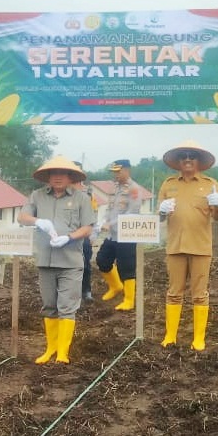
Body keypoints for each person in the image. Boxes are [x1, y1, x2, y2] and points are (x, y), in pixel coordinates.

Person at [18, 156, 94, 364]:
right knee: (49, 305)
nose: (58, 177)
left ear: (70, 177)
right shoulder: (37, 196)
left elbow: (88, 227)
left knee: (67, 306)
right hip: (45, 259)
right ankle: (50, 348)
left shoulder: (81, 198)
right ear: (48, 177)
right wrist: (38, 221)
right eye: (54, 174)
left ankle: (63, 352)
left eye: (62, 173)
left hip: (70, 260)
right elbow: (22, 217)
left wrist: (69, 237)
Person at [158, 140, 218, 352]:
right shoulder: (168, 184)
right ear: (178, 161)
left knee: (199, 294)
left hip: (200, 246)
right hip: (175, 246)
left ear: (198, 161)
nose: (187, 159)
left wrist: (215, 204)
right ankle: (170, 336)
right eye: (183, 156)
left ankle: (198, 338)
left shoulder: (210, 184)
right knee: (174, 292)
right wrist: (161, 211)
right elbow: (159, 216)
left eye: (192, 156)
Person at [96, 159, 142, 311]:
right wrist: (104, 220)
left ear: (127, 170)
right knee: (102, 260)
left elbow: (132, 213)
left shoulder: (134, 189)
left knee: (126, 267)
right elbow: (110, 208)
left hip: (126, 234)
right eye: (114, 172)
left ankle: (129, 300)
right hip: (112, 234)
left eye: (118, 171)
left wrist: (112, 223)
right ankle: (115, 286)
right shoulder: (114, 188)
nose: (115, 174)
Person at [71, 161, 98, 302]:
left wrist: (94, 233)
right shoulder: (64, 190)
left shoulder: (88, 192)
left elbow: (94, 213)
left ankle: (86, 290)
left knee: (85, 264)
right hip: (67, 234)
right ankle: (70, 293)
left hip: (85, 234)